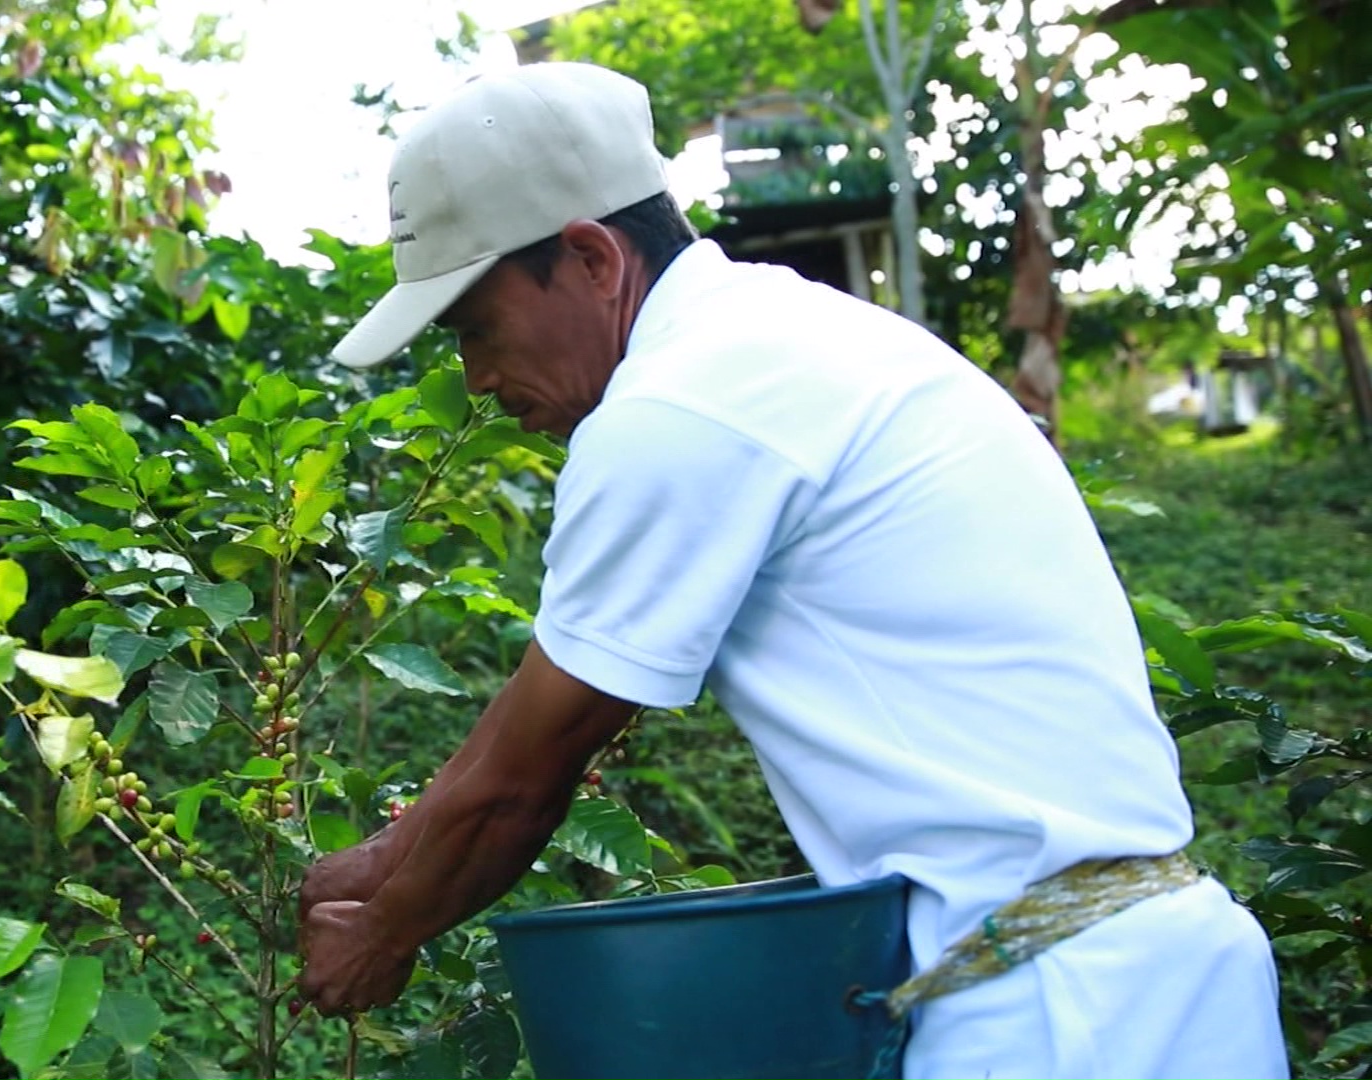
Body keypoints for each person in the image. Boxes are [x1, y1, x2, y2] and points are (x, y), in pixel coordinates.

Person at [295, 61, 1287, 1080]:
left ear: (591, 259)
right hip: (1145, 970)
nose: (477, 379)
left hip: (1055, 1015)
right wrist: (378, 863)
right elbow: (524, 738)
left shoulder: (677, 408)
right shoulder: (784, 338)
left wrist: (386, 931)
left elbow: (524, 778)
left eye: (476, 330)